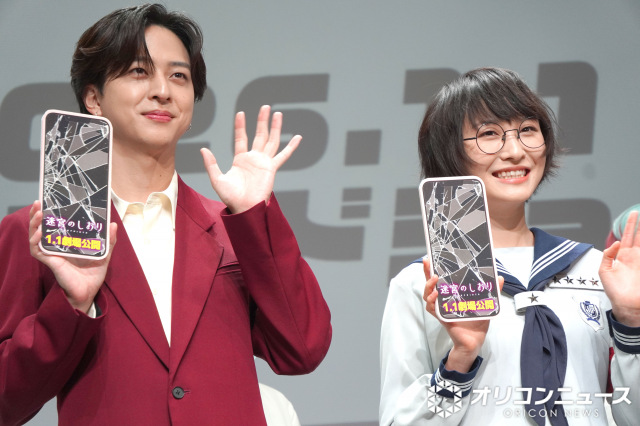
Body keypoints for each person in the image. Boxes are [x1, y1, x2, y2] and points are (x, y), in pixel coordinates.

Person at [0, 4, 331, 425]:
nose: (162, 91)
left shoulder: (233, 226)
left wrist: (255, 215)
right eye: (139, 71)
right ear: (94, 98)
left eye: (179, 76)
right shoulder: (45, 230)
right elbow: (6, 401)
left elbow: (304, 349)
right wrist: (72, 305)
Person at [379, 67, 640, 425]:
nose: (516, 151)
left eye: (528, 130)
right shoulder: (421, 284)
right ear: (448, 151)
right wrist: (460, 360)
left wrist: (632, 323)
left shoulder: (598, 270)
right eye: (489, 134)